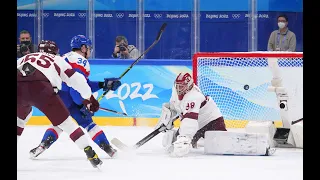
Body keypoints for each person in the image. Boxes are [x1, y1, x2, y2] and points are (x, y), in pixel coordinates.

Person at [29, 35, 121, 159]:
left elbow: (83, 84)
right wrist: (82, 103)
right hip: (73, 98)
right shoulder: (81, 60)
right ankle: (109, 149)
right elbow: (76, 86)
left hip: (59, 96)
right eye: (88, 47)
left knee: (60, 123)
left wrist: (102, 85)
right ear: (83, 48)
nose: (89, 50)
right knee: (88, 123)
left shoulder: (64, 57)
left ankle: (42, 146)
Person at [17, 40, 103, 168]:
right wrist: (89, 98)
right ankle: (89, 151)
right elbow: (77, 80)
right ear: (55, 51)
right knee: (67, 123)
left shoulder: (25, 57)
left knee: (19, 120)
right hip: (42, 89)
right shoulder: (58, 60)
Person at [154, 72, 227, 157]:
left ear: (189, 86)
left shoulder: (194, 96)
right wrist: (166, 120)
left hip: (212, 121)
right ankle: (198, 141)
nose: (178, 88)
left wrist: (184, 139)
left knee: (221, 145)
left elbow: (189, 121)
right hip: (198, 125)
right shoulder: (175, 90)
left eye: (181, 86)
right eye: (177, 85)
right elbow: (174, 106)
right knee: (170, 141)